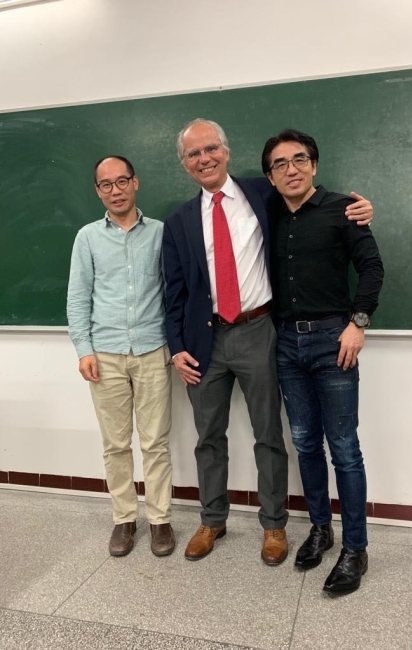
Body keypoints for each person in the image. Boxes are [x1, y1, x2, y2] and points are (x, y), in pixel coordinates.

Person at [162, 119, 373, 565]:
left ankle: (274, 525)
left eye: (211, 148)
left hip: (260, 330)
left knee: (270, 434)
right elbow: (175, 290)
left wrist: (358, 210)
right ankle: (212, 519)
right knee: (207, 436)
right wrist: (175, 345)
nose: (204, 158)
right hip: (204, 340)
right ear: (184, 164)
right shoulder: (179, 221)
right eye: (194, 154)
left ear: (226, 151)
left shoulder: (264, 193)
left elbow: (310, 199)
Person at [262, 129, 384, 596]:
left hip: (336, 341)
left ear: (314, 164)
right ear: (270, 176)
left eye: (299, 160)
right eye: (279, 164)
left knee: (344, 447)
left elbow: (372, 267)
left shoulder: (343, 209)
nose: (290, 169)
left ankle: (356, 548)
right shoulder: (266, 214)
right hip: (286, 344)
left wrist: (358, 322)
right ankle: (320, 529)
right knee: (304, 443)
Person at [67, 156, 174, 558]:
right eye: (106, 184)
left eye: (122, 181)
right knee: (115, 444)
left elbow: (172, 293)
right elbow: (78, 298)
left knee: (156, 443)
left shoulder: (162, 234)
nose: (115, 190)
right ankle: (124, 519)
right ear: (98, 191)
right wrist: (83, 350)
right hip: (105, 355)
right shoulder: (87, 238)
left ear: (136, 183)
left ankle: (161, 519)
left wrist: (173, 345)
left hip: (151, 351)